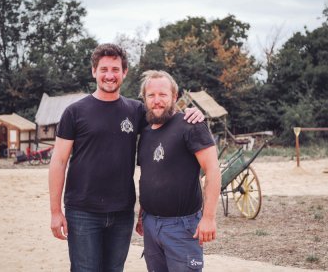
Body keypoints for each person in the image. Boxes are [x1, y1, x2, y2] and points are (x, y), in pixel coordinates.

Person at [48, 43, 204, 272]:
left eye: (115, 69)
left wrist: (192, 113)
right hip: (83, 211)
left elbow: (165, 116)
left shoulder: (136, 110)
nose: (109, 75)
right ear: (94, 72)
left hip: (122, 212)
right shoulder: (75, 112)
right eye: (104, 69)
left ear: (124, 73)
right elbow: (58, 162)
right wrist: (55, 212)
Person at [135, 70, 221, 272]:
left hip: (182, 228)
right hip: (150, 224)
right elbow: (150, 175)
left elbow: (213, 170)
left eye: (163, 95)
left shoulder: (191, 125)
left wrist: (208, 218)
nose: (157, 101)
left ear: (174, 96)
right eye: (151, 96)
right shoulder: (145, 133)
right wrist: (142, 213)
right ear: (144, 99)